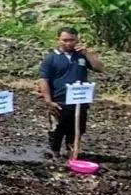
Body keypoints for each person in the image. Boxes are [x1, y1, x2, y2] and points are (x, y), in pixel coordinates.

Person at [38, 27, 105, 158]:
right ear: (58, 40)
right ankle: (55, 154)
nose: (68, 43)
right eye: (65, 40)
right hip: (59, 101)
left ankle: (72, 155)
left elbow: (100, 68)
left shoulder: (82, 56)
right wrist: (48, 101)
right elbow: (44, 80)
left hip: (80, 101)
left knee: (76, 130)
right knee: (56, 129)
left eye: (72, 40)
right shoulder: (51, 59)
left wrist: (88, 54)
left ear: (77, 40)